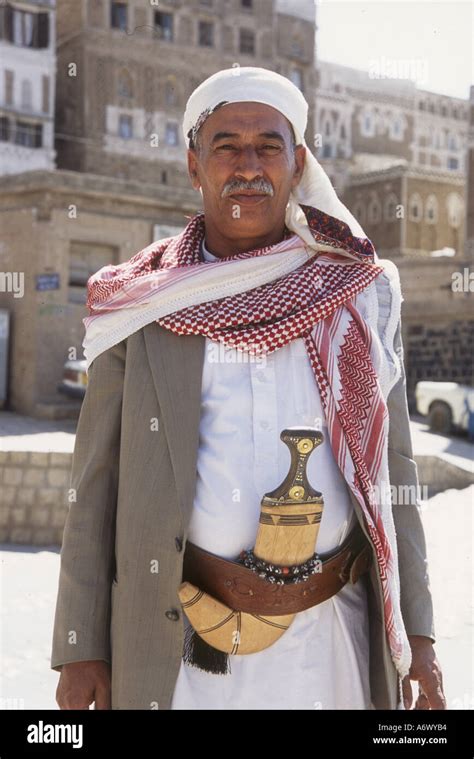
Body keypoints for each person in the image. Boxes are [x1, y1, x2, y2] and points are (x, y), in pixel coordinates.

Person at [51, 67, 445, 710]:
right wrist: (79, 644)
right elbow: (94, 485)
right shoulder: (138, 305)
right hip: (183, 653)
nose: (248, 165)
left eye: (269, 145)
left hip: (330, 645)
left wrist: (420, 638)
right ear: (193, 164)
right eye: (226, 145)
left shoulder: (357, 292)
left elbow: (394, 474)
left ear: (298, 164)